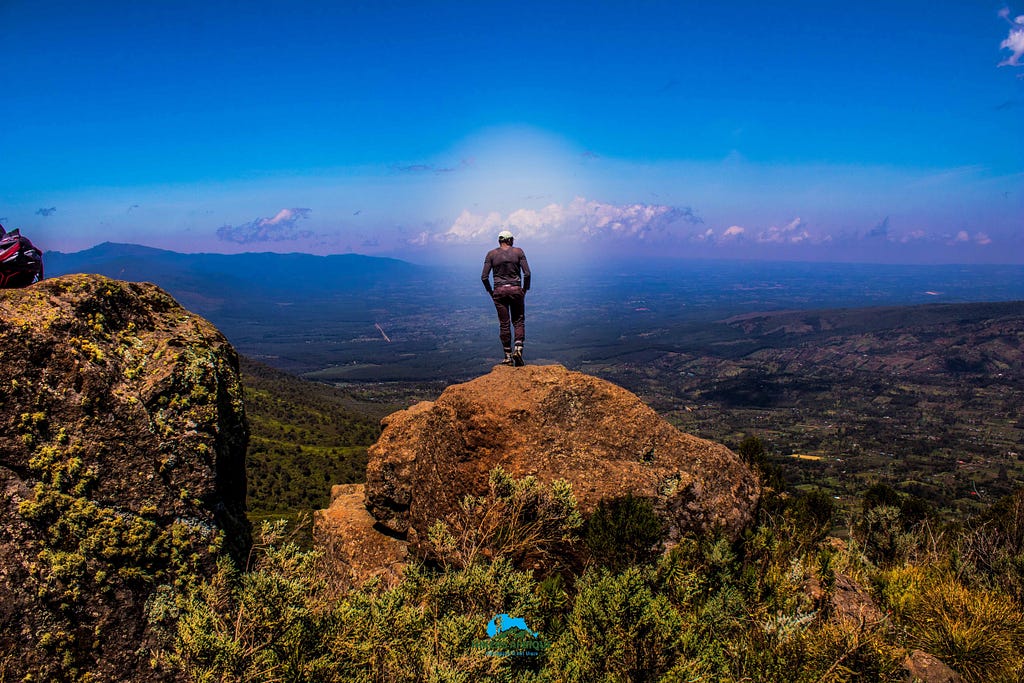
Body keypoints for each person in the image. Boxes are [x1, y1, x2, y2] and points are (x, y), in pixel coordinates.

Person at [481, 230, 531, 366]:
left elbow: (484, 277)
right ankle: (518, 349)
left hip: (499, 291)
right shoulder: (518, 252)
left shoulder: (491, 254)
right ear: (509, 240)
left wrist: (491, 292)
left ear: (500, 241)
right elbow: (527, 273)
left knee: (504, 323)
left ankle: (508, 356)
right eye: (513, 239)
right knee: (518, 320)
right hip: (516, 290)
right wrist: (524, 290)